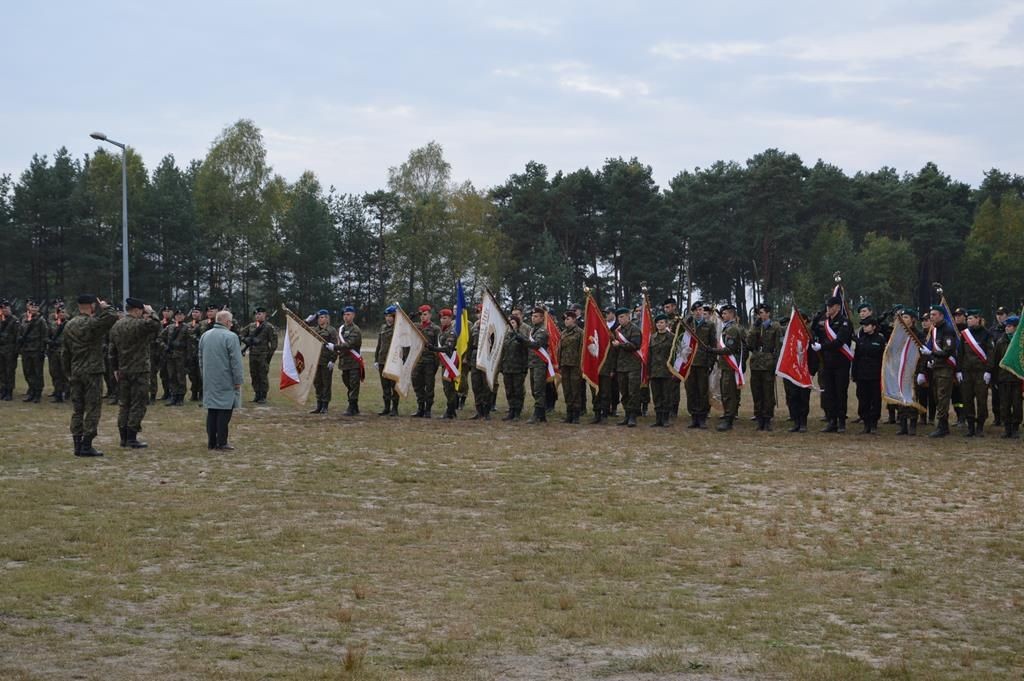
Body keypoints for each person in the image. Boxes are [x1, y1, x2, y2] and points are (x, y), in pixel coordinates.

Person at [62, 295, 117, 456]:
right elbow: (112, 317)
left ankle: (77, 445)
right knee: (93, 408)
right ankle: (86, 445)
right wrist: (105, 306)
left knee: (77, 409)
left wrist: (68, 373)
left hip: (76, 371)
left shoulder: (69, 325)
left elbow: (64, 352)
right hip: (92, 372)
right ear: (92, 305)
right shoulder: (92, 323)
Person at [109, 298, 161, 448]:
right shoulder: (140, 324)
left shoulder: (116, 326)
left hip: (123, 370)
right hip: (139, 370)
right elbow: (156, 325)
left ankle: (123, 437)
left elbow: (112, 351)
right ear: (137, 310)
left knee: (124, 404)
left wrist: (115, 369)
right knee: (138, 403)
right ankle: (132, 437)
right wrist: (151, 312)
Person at [199, 309, 244, 450]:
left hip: (209, 378)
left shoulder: (205, 335)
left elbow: (200, 358)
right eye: (230, 321)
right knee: (224, 411)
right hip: (226, 379)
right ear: (226, 321)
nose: (231, 324)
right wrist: (238, 380)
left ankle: (211, 441)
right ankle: (222, 442)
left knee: (212, 411)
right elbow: (236, 361)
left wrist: (204, 374)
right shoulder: (231, 337)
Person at [812, 296, 853, 433]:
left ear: (837, 307)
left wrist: (822, 347)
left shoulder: (845, 323)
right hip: (827, 363)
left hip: (841, 362)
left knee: (840, 392)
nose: (828, 309)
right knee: (829, 392)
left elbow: (839, 342)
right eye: (827, 306)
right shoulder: (825, 322)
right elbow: (815, 332)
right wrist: (816, 319)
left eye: (830, 306)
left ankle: (841, 422)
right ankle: (832, 420)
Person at [921, 304, 958, 438]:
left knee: (942, 397)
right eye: (930, 315)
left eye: (934, 315)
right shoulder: (934, 330)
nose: (931, 317)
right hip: (936, 368)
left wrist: (932, 353)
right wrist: (931, 358)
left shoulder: (947, 330)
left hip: (945, 369)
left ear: (941, 316)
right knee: (937, 397)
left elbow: (948, 350)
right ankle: (943, 425)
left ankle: (942, 426)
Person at [958, 309, 995, 437]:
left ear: (978, 319)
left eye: (971, 318)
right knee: (967, 399)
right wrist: (958, 370)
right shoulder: (964, 334)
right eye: (967, 319)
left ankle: (980, 426)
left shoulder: (986, 334)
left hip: (981, 372)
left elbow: (991, 353)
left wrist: (989, 370)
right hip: (967, 372)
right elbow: (960, 353)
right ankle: (970, 426)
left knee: (981, 400)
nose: (968, 321)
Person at [747, 303, 781, 431]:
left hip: (768, 363)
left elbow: (778, 346)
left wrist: (777, 364)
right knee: (757, 392)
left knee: (767, 393)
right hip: (756, 363)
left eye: (762, 312)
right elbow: (749, 344)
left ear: (768, 313)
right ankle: (759, 417)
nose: (760, 315)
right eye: (758, 313)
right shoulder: (756, 327)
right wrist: (754, 329)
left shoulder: (775, 327)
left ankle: (767, 419)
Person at [712, 304, 744, 431]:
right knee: (726, 392)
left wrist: (713, 351)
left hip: (730, 365)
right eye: (722, 314)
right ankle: (728, 416)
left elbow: (729, 349)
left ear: (731, 314)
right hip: (725, 365)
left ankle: (728, 419)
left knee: (728, 393)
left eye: (725, 314)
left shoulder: (731, 329)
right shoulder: (727, 328)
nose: (723, 316)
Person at [852, 316, 885, 434]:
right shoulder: (860, 340)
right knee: (863, 399)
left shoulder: (880, 340)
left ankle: (874, 424)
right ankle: (866, 423)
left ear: (873, 326)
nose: (864, 327)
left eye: (867, 325)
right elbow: (856, 358)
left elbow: (883, 358)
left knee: (875, 400)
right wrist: (854, 373)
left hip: (875, 375)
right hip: (862, 375)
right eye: (863, 325)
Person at [683, 303, 714, 429]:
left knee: (702, 391)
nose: (698, 312)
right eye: (695, 310)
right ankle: (694, 416)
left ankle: (702, 417)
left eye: (700, 310)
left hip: (703, 362)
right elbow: (680, 339)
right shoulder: (688, 325)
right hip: (689, 362)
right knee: (691, 390)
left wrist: (711, 362)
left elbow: (712, 344)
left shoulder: (709, 325)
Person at [611, 306, 643, 427]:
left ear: (628, 317)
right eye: (619, 317)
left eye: (622, 316)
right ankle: (627, 414)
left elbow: (635, 345)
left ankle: (633, 416)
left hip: (633, 365)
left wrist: (620, 345)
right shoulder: (618, 331)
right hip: (621, 366)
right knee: (624, 392)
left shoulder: (634, 329)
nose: (620, 319)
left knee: (633, 391)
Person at [521, 307, 552, 424]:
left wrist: (523, 340)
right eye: (532, 316)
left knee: (539, 389)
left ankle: (537, 414)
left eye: (536, 316)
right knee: (535, 389)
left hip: (540, 364)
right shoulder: (532, 331)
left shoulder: (542, 331)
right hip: (533, 363)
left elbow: (537, 344)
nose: (533, 318)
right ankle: (542, 414)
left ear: (542, 318)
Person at [993, 315, 1022, 439]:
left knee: (1017, 405)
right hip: (1003, 379)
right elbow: (996, 361)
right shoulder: (1000, 342)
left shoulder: (1020, 343)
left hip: (1016, 379)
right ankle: (1007, 428)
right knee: (1004, 405)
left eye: (1010, 326)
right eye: (1006, 326)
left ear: (1016, 328)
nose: (1007, 328)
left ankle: (1015, 428)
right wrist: (994, 379)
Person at [241, 306, 277, 404]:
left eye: (260, 314)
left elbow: (274, 344)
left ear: (265, 315)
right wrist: (246, 340)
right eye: (256, 314)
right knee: (254, 375)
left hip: (263, 355)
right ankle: (257, 394)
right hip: (252, 354)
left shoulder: (269, 327)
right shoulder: (251, 326)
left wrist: (268, 357)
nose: (257, 316)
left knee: (263, 375)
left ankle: (263, 396)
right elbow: (241, 334)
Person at [412, 304, 440, 418]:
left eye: (425, 314)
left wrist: (436, 363)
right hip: (418, 360)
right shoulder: (416, 327)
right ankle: (420, 408)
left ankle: (428, 409)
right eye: (421, 315)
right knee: (417, 384)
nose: (423, 317)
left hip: (429, 361)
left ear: (430, 315)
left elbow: (438, 346)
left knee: (429, 386)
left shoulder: (435, 329)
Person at [308, 309, 338, 414]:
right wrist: (307, 321)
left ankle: (325, 405)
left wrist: (333, 360)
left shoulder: (331, 330)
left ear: (327, 318)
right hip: (316, 360)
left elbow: (335, 346)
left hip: (326, 361)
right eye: (319, 317)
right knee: (317, 383)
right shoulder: (315, 330)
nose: (321, 320)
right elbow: (302, 328)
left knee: (326, 383)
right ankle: (319, 404)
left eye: (323, 317)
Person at [335, 305, 363, 415]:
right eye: (345, 315)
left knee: (353, 384)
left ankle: (351, 406)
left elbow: (349, 344)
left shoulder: (355, 330)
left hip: (353, 362)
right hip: (344, 362)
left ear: (353, 315)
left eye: (348, 314)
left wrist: (335, 347)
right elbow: (339, 342)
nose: (346, 317)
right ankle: (354, 406)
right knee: (347, 383)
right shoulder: (342, 329)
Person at [19, 299, 48, 403]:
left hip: (36, 349)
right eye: (32, 307)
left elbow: (44, 336)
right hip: (26, 349)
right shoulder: (24, 318)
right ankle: (31, 390)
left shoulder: (41, 320)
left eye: (36, 307)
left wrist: (42, 350)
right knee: (27, 371)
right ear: (28, 307)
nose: (34, 309)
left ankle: (37, 393)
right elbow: (20, 331)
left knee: (37, 373)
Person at [647, 313, 673, 427]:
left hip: (667, 371)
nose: (659, 325)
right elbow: (649, 355)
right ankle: (658, 418)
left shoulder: (672, 337)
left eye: (662, 322)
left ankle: (665, 418)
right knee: (656, 395)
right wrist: (648, 371)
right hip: (654, 371)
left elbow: (675, 355)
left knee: (666, 395)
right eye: (657, 323)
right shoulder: (652, 337)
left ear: (666, 324)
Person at [500, 314, 528, 421]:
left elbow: (525, 352)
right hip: (507, 367)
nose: (510, 324)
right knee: (509, 390)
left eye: (513, 322)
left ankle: (517, 412)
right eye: (509, 322)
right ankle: (511, 410)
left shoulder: (521, 337)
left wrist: (524, 367)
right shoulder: (506, 336)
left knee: (518, 390)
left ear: (517, 324)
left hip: (518, 368)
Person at [558, 309, 584, 423]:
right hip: (564, 364)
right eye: (565, 320)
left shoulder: (580, 333)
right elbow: (559, 349)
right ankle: (569, 413)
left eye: (568, 319)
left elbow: (582, 350)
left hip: (575, 365)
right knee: (567, 389)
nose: (566, 321)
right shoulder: (563, 333)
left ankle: (576, 414)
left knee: (575, 390)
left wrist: (580, 365)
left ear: (574, 320)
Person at [436, 308, 460, 419]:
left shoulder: (451, 331)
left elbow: (448, 347)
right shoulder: (443, 331)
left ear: (450, 319)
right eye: (441, 318)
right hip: (444, 363)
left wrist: (434, 349)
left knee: (449, 387)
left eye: (445, 318)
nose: (442, 320)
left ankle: (450, 410)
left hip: (450, 362)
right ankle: (451, 409)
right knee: (446, 388)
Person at [375, 305, 399, 416]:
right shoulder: (383, 328)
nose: (388, 318)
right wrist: (376, 359)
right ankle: (386, 407)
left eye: (391, 316)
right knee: (385, 385)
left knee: (393, 386)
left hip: (393, 361)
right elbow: (379, 345)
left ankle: (395, 408)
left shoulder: (398, 328)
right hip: (382, 360)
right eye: (387, 316)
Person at [163, 309, 189, 406]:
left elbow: (189, 344)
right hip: (170, 356)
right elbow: (160, 338)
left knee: (180, 377)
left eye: (181, 315)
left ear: (184, 316)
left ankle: (180, 397)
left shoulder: (187, 328)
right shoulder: (170, 327)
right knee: (171, 376)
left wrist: (188, 355)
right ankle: (173, 396)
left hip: (181, 356)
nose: (179, 316)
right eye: (177, 315)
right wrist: (165, 347)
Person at [47, 303, 69, 402]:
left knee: (65, 374)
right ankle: (58, 394)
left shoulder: (70, 325)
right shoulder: (53, 324)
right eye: (60, 312)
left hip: (65, 352)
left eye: (64, 312)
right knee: (55, 373)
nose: (62, 314)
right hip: (54, 352)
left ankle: (67, 392)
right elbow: (45, 336)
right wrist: (50, 342)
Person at [0, 299, 17, 400]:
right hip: (1, 349)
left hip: (10, 350)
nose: (5, 310)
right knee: (1, 371)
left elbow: (17, 336)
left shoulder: (14, 320)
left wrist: (16, 350)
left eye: (6, 308)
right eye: (3, 308)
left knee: (9, 371)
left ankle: (9, 391)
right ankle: (3, 389)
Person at [185, 307, 204, 401]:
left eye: (196, 312)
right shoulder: (188, 325)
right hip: (190, 353)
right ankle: (194, 393)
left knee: (200, 374)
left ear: (201, 313)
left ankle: (201, 393)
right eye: (193, 312)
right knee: (192, 374)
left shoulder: (204, 324)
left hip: (200, 353)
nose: (194, 314)